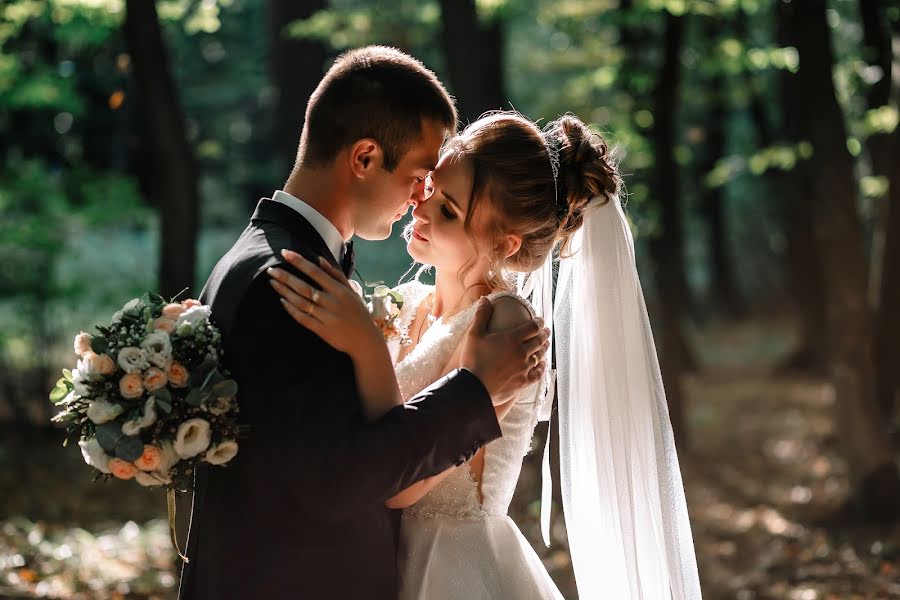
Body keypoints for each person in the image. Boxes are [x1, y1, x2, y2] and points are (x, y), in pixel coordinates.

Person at [271, 111, 704, 599]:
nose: (422, 209)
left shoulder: (504, 326)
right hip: (378, 560)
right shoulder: (408, 305)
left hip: (451, 568)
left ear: (504, 242)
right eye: (430, 190)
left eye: (450, 212)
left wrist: (365, 346)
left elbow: (402, 484)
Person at [176, 48, 550, 600]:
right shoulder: (288, 280)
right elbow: (338, 476)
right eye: (421, 176)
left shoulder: (276, 259)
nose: (421, 198)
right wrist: (473, 392)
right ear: (366, 157)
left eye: (442, 198)